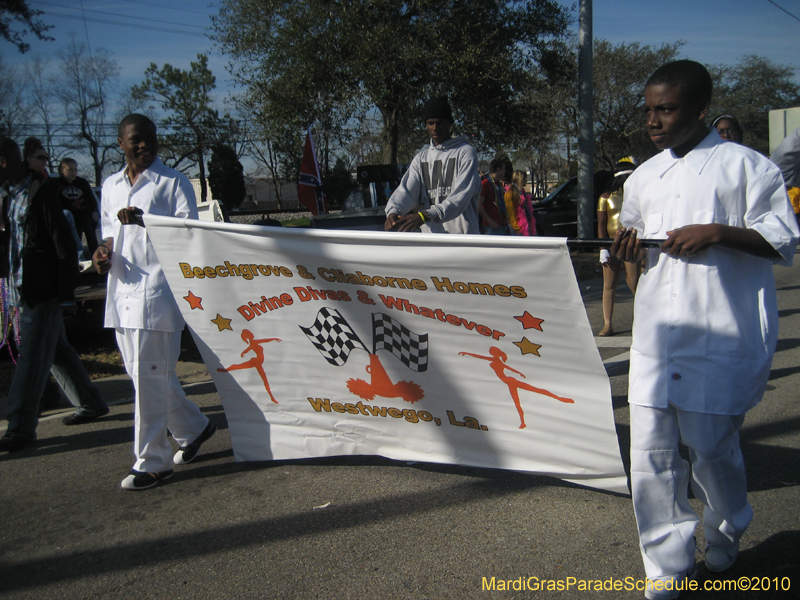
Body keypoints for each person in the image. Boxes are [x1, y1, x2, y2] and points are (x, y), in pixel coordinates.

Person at [612, 60, 799, 599]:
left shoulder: (747, 168)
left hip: (719, 333)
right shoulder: (644, 176)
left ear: (698, 109)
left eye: (665, 109)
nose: (653, 120)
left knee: (713, 451)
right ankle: (667, 566)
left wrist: (717, 232)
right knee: (651, 455)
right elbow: (634, 253)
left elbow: (782, 241)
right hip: (654, 335)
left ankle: (727, 528)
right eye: (648, 109)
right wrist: (627, 252)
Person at [94, 114, 215, 490]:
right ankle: (194, 427)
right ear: (121, 144)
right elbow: (108, 235)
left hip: (157, 293)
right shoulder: (111, 185)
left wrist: (147, 222)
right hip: (121, 292)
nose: (144, 145)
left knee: (148, 378)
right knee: (145, 375)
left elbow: (189, 236)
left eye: (150, 139)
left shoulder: (173, 182)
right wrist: (102, 253)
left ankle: (153, 461)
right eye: (136, 140)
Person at [0, 137, 109, 452]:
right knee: (55, 348)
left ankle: (20, 426)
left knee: (32, 356)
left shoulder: (40, 194)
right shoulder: (7, 197)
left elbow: (64, 244)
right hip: (17, 287)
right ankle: (90, 402)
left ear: (4, 162)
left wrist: (66, 292)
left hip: (41, 289)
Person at [384, 96, 480, 234]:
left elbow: (460, 197)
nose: (435, 128)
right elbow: (407, 191)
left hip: (463, 239)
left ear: (449, 124)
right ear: (426, 125)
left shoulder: (466, 152)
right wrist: (393, 211)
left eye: (440, 123)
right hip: (432, 240)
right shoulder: (420, 158)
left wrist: (425, 215)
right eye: (430, 123)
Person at [596, 158, 640, 337]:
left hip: (630, 243)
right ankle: (607, 323)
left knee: (635, 282)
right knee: (609, 285)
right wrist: (602, 248)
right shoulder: (605, 197)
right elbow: (601, 224)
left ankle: (642, 320)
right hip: (610, 244)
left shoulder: (635, 196)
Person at [56, 158, 100, 259]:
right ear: (62, 170)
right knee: (76, 240)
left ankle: (97, 258)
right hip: (70, 218)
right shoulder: (57, 184)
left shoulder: (82, 183)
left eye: (75, 169)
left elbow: (91, 200)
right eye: (70, 170)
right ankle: (78, 260)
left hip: (84, 215)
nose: (73, 172)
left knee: (92, 238)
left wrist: (94, 215)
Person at [478, 157, 508, 235]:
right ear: (498, 169)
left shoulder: (499, 184)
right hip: (491, 226)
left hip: (502, 223)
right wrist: (490, 220)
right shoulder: (486, 183)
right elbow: (478, 204)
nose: (505, 171)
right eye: (503, 168)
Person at [505, 170, 536, 236]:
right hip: (517, 228)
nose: (526, 181)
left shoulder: (522, 192)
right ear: (520, 179)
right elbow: (510, 212)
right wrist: (517, 228)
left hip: (526, 225)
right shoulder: (510, 193)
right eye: (525, 179)